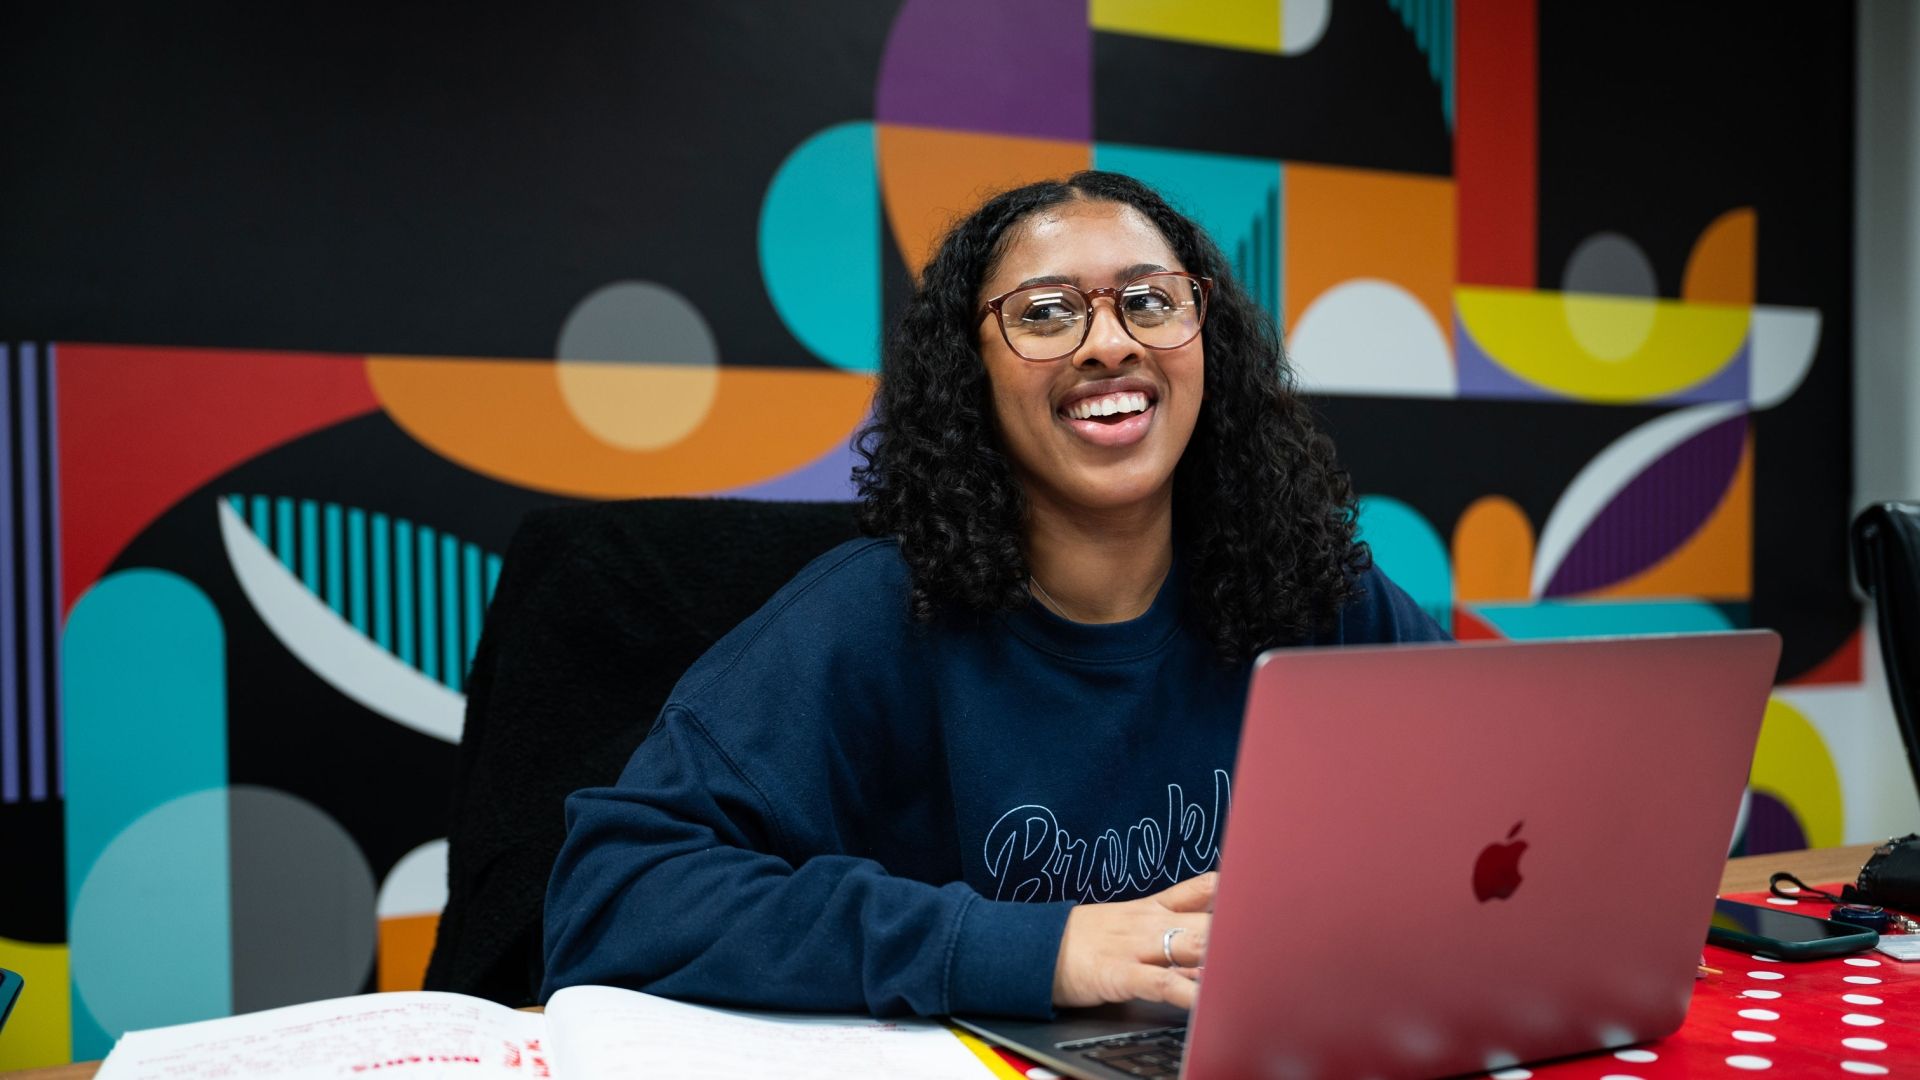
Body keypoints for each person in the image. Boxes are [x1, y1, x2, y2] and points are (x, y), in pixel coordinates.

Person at [541, 171, 1448, 1021]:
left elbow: (1498, 812)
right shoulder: (867, 623)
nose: (1111, 342)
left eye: (1149, 301)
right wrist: (1032, 948)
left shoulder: (1316, 592)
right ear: (970, 373)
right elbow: (616, 895)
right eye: (1047, 314)